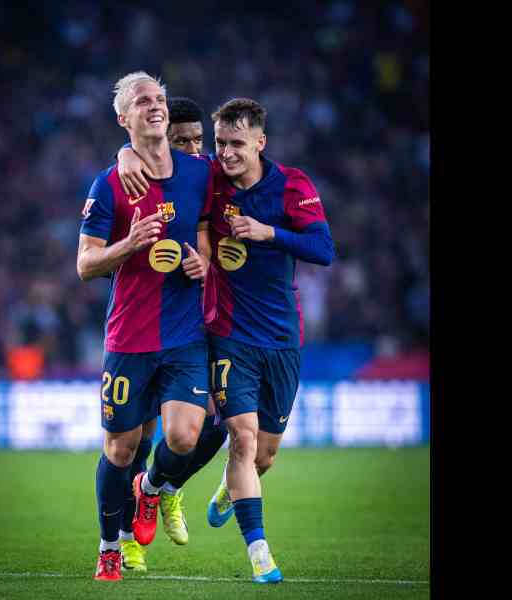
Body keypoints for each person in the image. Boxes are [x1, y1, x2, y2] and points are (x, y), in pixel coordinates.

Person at [116, 97, 334, 584]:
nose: (226, 154)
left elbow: (323, 249)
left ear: (260, 142)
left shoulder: (292, 185)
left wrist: (268, 232)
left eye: (237, 144)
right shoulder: (208, 177)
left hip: (281, 336)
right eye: (220, 144)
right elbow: (156, 161)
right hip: (226, 331)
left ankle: (218, 488)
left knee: (263, 454)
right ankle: (259, 555)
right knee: (240, 435)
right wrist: (124, 155)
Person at [77, 71, 214, 582]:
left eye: (158, 98)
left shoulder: (199, 173)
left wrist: (201, 262)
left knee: (183, 436)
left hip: (184, 334)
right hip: (129, 338)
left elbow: (204, 232)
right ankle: (109, 546)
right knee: (120, 448)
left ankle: (150, 490)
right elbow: (86, 264)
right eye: (142, 101)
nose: (154, 105)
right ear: (123, 119)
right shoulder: (110, 183)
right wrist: (130, 244)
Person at [113, 96, 229, 575]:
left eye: (198, 141)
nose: (193, 149)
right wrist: (122, 155)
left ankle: (164, 487)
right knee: (135, 441)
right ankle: (127, 544)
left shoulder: (212, 172)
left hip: (220, 321)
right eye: (183, 142)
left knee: (219, 427)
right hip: (164, 324)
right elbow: (125, 158)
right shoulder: (145, 172)